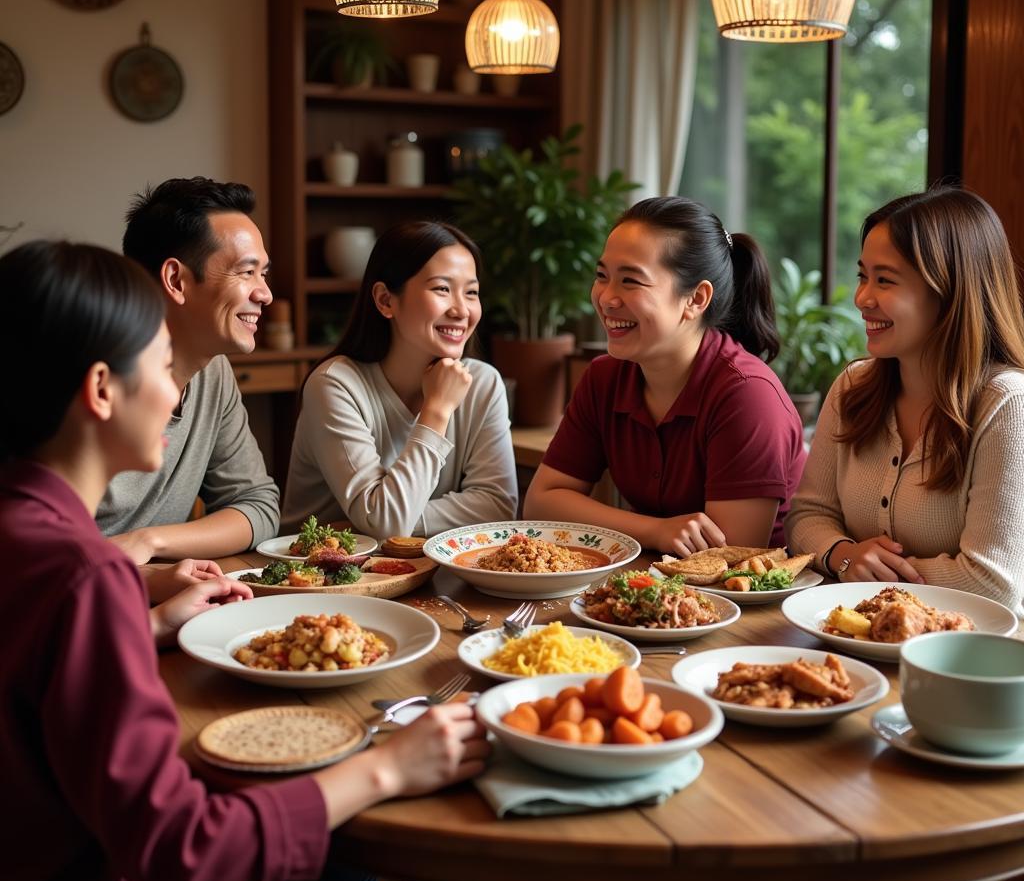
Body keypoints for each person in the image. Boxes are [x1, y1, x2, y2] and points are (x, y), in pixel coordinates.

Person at [0, 239, 508, 881]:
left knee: (337, 863)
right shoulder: (86, 577)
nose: (176, 392)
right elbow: (177, 849)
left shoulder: (25, 534)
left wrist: (145, 627)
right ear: (100, 390)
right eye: (161, 365)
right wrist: (386, 767)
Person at [786, 186, 1024, 618]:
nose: (862, 299)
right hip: (851, 634)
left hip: (969, 658)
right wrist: (844, 554)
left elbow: (993, 582)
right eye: (862, 276)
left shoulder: (1007, 405)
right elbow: (806, 516)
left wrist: (874, 573)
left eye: (885, 280)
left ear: (948, 291)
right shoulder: (852, 386)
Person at [524, 195, 806, 554]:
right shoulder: (604, 378)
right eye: (601, 276)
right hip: (654, 578)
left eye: (630, 281)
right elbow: (541, 503)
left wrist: (650, 534)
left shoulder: (747, 394)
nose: (607, 298)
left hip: (758, 601)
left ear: (697, 299)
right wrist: (655, 530)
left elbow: (729, 554)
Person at [96, 177, 281, 594]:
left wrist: (149, 541)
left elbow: (258, 506)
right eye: (246, 272)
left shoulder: (213, 372)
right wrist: (137, 577)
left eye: (263, 273)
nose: (265, 293)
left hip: (155, 598)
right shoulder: (90, 380)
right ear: (176, 280)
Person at [283, 221, 517, 538]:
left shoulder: (484, 384)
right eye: (442, 289)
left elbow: (497, 506)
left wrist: (388, 519)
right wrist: (437, 410)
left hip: (425, 573)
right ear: (385, 300)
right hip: (319, 579)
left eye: (471, 292)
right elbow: (387, 523)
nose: (462, 310)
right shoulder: (335, 385)